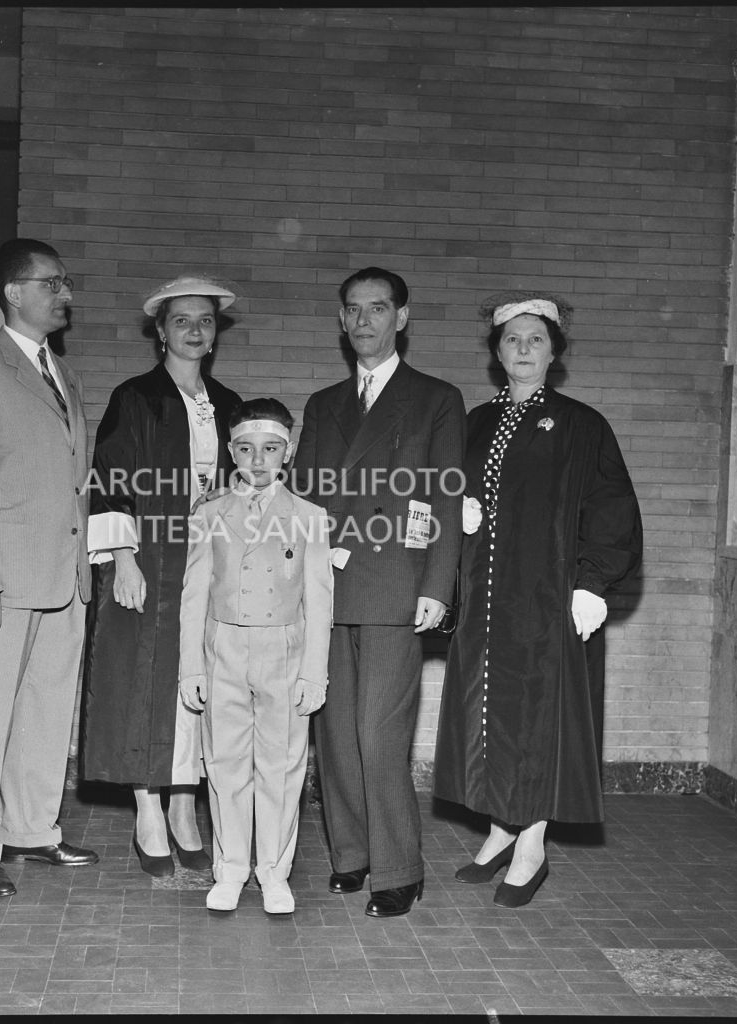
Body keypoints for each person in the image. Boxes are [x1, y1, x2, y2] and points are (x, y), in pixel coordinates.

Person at [433, 290, 642, 908]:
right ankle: (501, 829)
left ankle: (533, 844)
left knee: (540, 718)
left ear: (554, 352)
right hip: (486, 600)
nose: (523, 350)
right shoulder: (474, 423)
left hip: (550, 598)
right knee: (488, 713)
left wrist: (592, 582)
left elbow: (611, 507)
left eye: (536, 340)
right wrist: (454, 512)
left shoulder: (581, 424)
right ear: (496, 353)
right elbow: (442, 488)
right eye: (512, 340)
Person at [292, 267, 465, 918]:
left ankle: (399, 870)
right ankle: (352, 854)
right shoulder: (323, 404)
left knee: (379, 733)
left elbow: (446, 494)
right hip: (327, 587)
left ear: (402, 317)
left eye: (378, 308)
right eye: (353, 309)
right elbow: (305, 496)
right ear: (341, 321)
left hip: (396, 585)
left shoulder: (436, 398)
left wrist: (438, 583)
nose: (364, 320)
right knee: (335, 733)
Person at [0, 238, 97, 898]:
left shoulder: (62, 373)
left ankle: (31, 828)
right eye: (52, 283)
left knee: (46, 711)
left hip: (62, 577)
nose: (65, 294)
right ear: (13, 292)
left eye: (66, 282)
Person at [81, 276, 243, 875]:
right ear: (160, 331)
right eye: (182, 321)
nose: (195, 330)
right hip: (148, 560)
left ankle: (183, 806)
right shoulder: (136, 397)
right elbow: (112, 476)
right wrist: (122, 559)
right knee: (142, 679)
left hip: (207, 563)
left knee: (199, 682)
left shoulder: (228, 403)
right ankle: (147, 808)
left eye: (205, 321)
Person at [178, 398, 332, 914]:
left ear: (287, 451)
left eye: (270, 449)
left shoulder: (309, 517)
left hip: (283, 651)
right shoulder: (210, 513)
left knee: (281, 766)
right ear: (230, 451)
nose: (258, 460)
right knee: (224, 765)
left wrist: (314, 673)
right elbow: (194, 594)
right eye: (246, 449)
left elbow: (319, 601)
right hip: (223, 649)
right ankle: (230, 870)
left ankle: (273, 873)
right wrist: (191, 666)